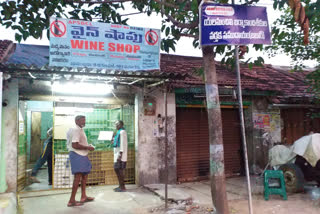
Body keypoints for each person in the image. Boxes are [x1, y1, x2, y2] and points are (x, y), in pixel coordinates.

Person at [66, 115, 95, 207]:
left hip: (82, 155)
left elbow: (76, 143)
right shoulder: (76, 129)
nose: (84, 122)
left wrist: (86, 146)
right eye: (82, 120)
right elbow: (74, 145)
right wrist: (88, 147)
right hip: (77, 154)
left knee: (84, 176)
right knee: (77, 177)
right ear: (77, 121)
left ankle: (83, 196)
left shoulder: (76, 129)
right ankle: (71, 201)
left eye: (84, 120)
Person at [113, 120, 128, 192]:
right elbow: (115, 143)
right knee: (117, 170)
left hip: (121, 155)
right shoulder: (118, 132)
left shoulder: (122, 132)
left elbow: (123, 144)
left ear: (122, 124)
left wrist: (120, 155)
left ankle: (123, 187)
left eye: (117, 124)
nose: (116, 125)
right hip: (118, 154)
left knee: (120, 170)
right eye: (115, 124)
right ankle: (120, 186)